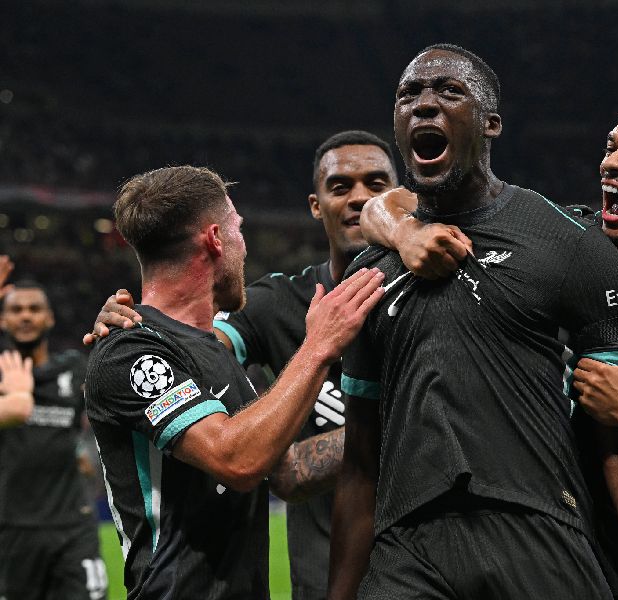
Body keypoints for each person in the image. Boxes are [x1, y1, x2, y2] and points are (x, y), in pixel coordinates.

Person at [364, 94, 618, 599]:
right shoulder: (565, 241)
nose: (611, 162)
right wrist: (407, 233)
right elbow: (387, 203)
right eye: (611, 147)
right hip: (549, 554)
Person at [328, 44, 618, 600]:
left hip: (539, 530)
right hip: (407, 549)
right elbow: (360, 465)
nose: (423, 105)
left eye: (448, 91)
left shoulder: (568, 241)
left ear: (490, 124)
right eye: (408, 94)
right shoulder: (368, 276)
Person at [86, 131, 400, 600]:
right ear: (215, 239)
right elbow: (237, 459)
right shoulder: (128, 351)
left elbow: (285, 468)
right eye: (238, 228)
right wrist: (320, 345)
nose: (245, 245)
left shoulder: (217, 355)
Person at [0, 274, 108, 600]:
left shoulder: (74, 368)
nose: (26, 316)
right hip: (12, 530)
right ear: (3, 321)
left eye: (34, 308)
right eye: (17, 310)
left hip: (73, 526)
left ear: (50, 318)